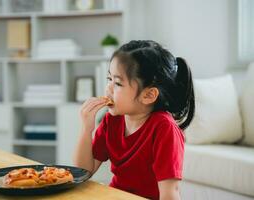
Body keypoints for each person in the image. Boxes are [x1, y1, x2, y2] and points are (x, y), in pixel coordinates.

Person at [74, 40, 195, 200]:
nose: (108, 87)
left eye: (117, 83)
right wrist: (86, 129)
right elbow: (83, 172)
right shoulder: (112, 120)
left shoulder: (164, 129)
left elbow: (170, 194)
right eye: (109, 79)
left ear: (148, 95)